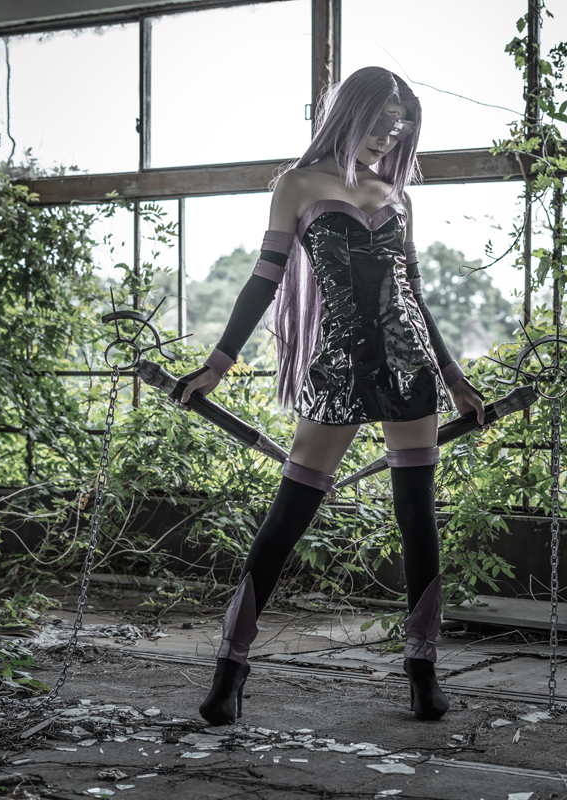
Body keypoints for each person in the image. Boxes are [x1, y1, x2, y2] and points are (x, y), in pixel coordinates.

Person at [178, 66, 485, 725]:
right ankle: (230, 669)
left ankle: (422, 670)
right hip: (339, 367)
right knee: (288, 516)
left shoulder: (397, 196)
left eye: (398, 126)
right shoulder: (297, 185)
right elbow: (263, 281)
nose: (388, 136)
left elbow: (414, 298)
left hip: (409, 368)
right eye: (379, 121)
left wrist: (455, 378)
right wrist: (217, 364)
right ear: (351, 113)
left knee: (417, 518)